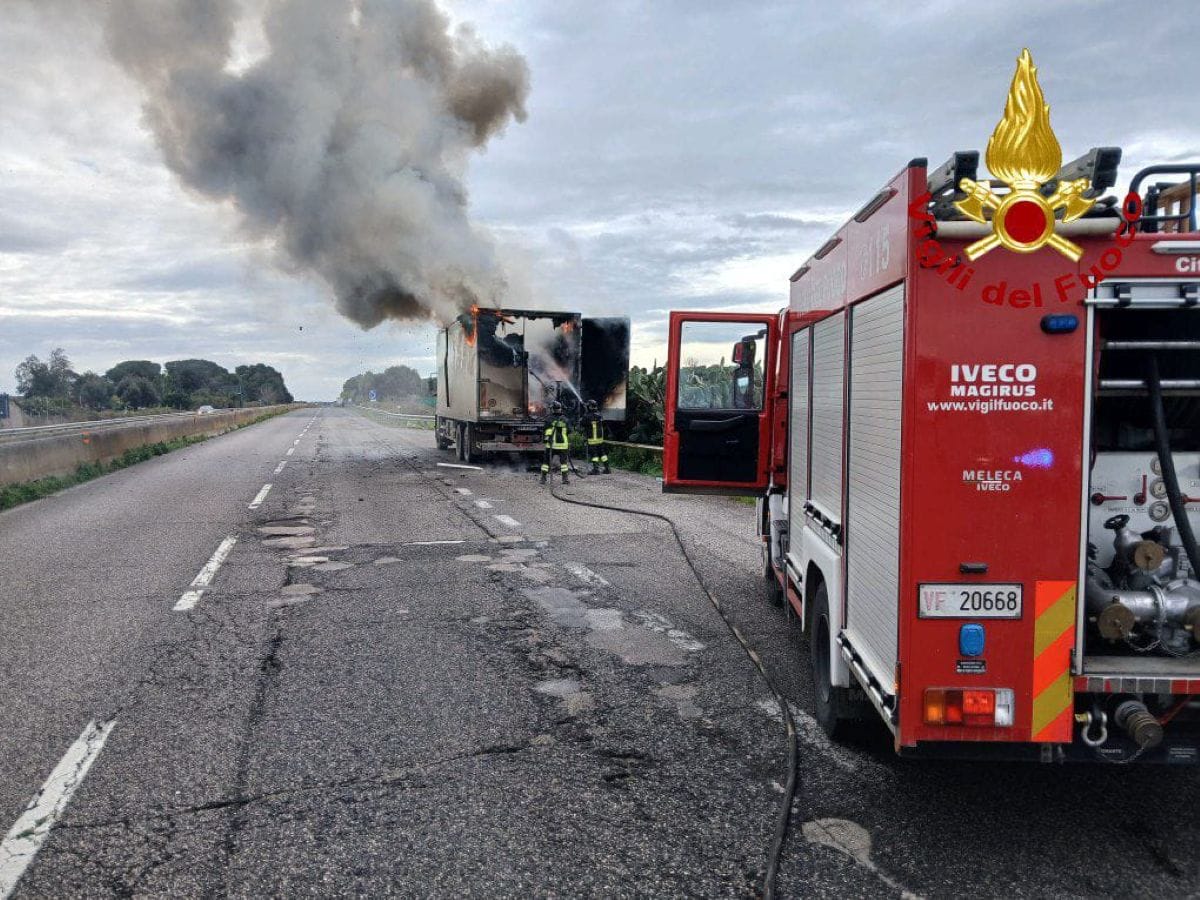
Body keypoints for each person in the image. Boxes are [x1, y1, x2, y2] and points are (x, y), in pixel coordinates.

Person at [541, 400, 570, 484]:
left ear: (552, 409)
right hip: (563, 446)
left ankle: (543, 479)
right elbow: (570, 431)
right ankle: (565, 479)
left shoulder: (549, 419)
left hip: (551, 445)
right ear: (560, 409)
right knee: (564, 463)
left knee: (546, 463)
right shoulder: (565, 420)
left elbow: (545, 431)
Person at [582, 399, 610, 474]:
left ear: (590, 407)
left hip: (592, 440)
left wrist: (585, 412)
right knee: (602, 454)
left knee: (594, 455)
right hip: (600, 439)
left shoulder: (587, 416)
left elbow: (582, 423)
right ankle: (607, 468)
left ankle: (596, 469)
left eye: (588, 406)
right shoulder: (599, 414)